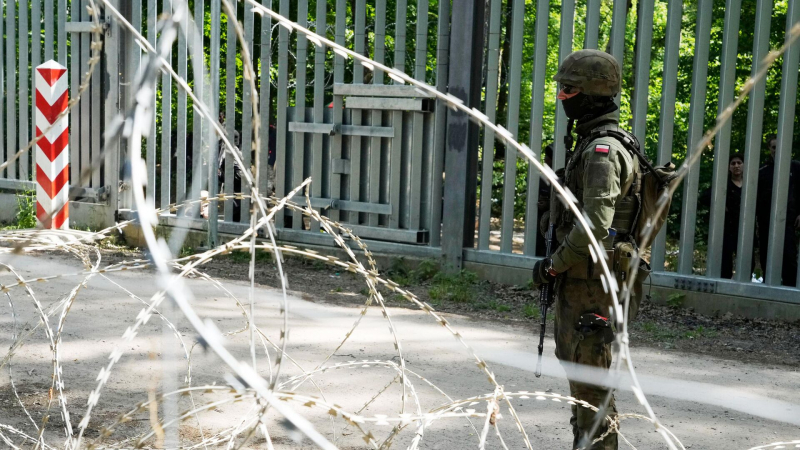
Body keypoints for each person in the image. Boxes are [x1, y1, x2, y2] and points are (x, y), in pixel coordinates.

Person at [532, 49, 641, 450]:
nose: (563, 97)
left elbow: (597, 224)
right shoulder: (592, 144)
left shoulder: (603, 151)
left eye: (569, 90)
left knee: (591, 389)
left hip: (593, 285)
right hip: (585, 281)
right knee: (584, 383)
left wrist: (552, 267)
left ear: (594, 94)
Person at [755, 135, 800, 287]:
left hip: (789, 221)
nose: (776, 150)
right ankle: (768, 287)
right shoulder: (762, 171)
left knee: (789, 257)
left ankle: (789, 289)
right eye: (773, 147)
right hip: (766, 221)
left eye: (779, 147)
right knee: (767, 255)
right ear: (769, 149)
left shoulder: (796, 167)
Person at [700, 153, 746, 279]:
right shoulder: (723, 184)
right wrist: (720, 205)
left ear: (744, 165)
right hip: (726, 229)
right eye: (733, 163)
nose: (736, 166)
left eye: (739, 163)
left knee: (748, 261)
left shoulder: (750, 184)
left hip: (745, 229)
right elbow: (704, 197)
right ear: (729, 167)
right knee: (725, 263)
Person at [535, 143, 554, 256]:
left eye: (548, 156)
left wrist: (550, 205)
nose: (545, 159)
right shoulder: (541, 178)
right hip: (540, 223)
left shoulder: (565, 178)